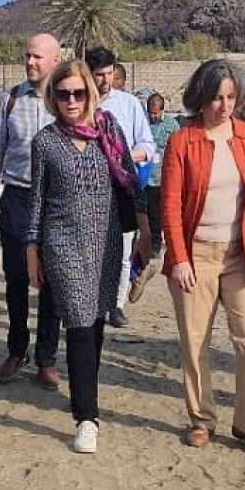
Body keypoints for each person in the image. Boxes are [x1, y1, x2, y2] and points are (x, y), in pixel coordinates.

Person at [161, 60, 245, 452]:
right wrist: (179, 257)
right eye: (216, 97)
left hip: (241, 253)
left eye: (231, 97)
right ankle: (202, 419)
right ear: (200, 98)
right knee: (194, 340)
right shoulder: (183, 141)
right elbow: (170, 204)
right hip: (196, 255)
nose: (224, 105)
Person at [26, 60, 149, 453]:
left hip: (108, 240)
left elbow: (131, 180)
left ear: (91, 94)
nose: (71, 101)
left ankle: (85, 389)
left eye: (79, 93)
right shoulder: (45, 142)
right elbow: (37, 202)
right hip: (62, 243)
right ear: (52, 97)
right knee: (78, 320)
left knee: (95, 320)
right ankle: (87, 418)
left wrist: (146, 232)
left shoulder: (108, 132)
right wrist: (33, 250)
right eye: (63, 94)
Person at [0, 33, 63, 389]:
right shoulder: (10, 100)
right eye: (27, 56)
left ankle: (47, 359)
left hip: (55, 201)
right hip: (18, 197)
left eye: (37, 57)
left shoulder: (67, 100)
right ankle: (17, 350)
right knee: (16, 279)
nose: (30, 62)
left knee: (52, 281)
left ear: (55, 59)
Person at [85, 47, 156, 328]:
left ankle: (116, 304)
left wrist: (121, 158)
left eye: (109, 73)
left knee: (123, 249)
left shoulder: (128, 104)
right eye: (99, 75)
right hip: (89, 189)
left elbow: (147, 147)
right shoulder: (80, 103)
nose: (105, 80)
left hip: (122, 187)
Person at [128, 91, 179, 302]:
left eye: (156, 113)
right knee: (140, 217)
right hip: (143, 178)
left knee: (157, 218)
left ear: (163, 110)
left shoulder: (172, 127)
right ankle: (141, 253)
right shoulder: (143, 123)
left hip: (161, 180)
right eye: (150, 113)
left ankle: (154, 252)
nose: (153, 116)